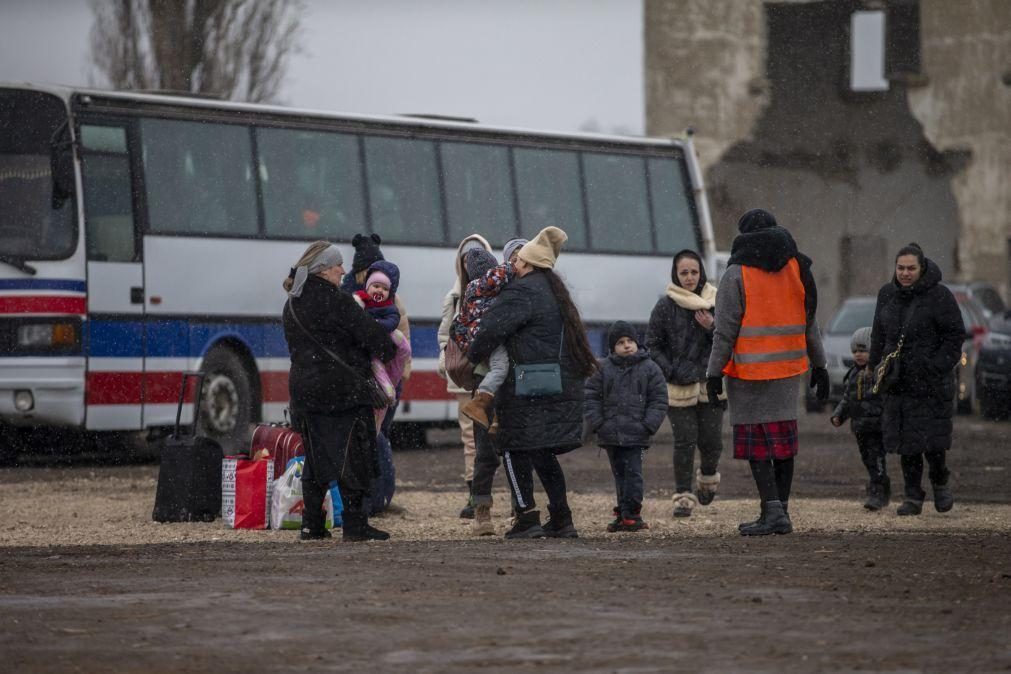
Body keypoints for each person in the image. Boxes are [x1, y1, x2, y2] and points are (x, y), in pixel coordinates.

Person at [468, 226, 597, 539]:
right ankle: (562, 518)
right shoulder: (556, 291)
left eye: (518, 263)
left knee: (512, 448)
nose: (514, 266)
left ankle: (526, 517)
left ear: (527, 265)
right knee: (543, 452)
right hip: (559, 384)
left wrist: (475, 353)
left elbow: (489, 329)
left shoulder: (522, 292)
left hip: (525, 387)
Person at [706, 209, 828, 536]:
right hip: (788, 371)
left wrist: (713, 372)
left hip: (749, 372)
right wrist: (820, 365)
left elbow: (724, 331)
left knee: (758, 445)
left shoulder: (736, 273)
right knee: (783, 444)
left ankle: (771, 511)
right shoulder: (797, 267)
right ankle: (780, 512)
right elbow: (810, 320)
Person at [281, 241, 397, 542]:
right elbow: (376, 340)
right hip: (343, 391)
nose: (343, 271)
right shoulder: (339, 301)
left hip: (304, 393)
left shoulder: (291, 304)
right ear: (322, 270)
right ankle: (355, 524)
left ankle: (312, 524)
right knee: (353, 456)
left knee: (316, 459)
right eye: (338, 266)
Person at [869, 243, 963, 516]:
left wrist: (936, 365)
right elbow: (878, 334)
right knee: (906, 443)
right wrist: (875, 367)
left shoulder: (939, 296)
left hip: (931, 383)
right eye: (901, 268)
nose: (905, 273)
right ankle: (913, 496)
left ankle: (940, 481)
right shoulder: (887, 295)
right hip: (898, 382)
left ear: (921, 268)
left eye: (911, 268)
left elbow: (955, 336)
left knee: (932, 442)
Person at [646, 249, 725, 519]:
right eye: (684, 273)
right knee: (685, 441)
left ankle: (708, 479)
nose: (690, 278)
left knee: (712, 442)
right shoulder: (665, 306)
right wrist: (670, 370)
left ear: (701, 272)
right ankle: (683, 497)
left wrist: (712, 327)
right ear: (675, 275)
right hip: (678, 386)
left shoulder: (716, 302)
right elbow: (652, 345)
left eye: (694, 272)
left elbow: (729, 341)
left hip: (711, 383)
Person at [465, 238, 527, 536]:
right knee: (486, 451)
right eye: (514, 256)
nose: (519, 261)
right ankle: (482, 511)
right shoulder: (494, 289)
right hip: (485, 376)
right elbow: (460, 330)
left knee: (519, 447)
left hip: (517, 376)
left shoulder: (526, 291)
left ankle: (522, 508)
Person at [584, 321, 668, 532]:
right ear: (613, 347)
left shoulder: (650, 368)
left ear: (637, 343)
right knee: (620, 473)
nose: (627, 345)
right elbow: (591, 397)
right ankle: (623, 512)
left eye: (630, 341)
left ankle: (632, 512)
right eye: (621, 342)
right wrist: (599, 424)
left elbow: (659, 399)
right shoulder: (603, 369)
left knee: (633, 474)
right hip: (611, 434)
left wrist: (648, 425)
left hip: (637, 435)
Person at [437, 234, 494, 519]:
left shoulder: (496, 292)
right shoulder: (455, 296)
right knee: (470, 437)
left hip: (491, 373)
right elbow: (444, 336)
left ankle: (492, 495)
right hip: (462, 377)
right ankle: (475, 495)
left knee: (496, 436)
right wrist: (446, 361)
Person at [453, 247, 515, 429]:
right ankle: (479, 403)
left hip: (478, 340)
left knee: (497, 370)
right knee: (500, 368)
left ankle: (494, 418)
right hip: (490, 337)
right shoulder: (485, 283)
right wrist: (514, 264)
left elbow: (461, 323)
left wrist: (467, 346)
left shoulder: (471, 289)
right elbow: (502, 273)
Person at [830, 327, 889, 510]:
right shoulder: (854, 374)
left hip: (876, 427)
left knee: (876, 458)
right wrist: (839, 414)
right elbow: (848, 398)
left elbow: (884, 398)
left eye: (863, 350)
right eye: (855, 351)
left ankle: (878, 490)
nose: (858, 355)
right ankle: (877, 485)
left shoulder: (879, 373)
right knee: (867, 458)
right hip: (860, 427)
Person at [352, 264, 412, 433]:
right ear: (367, 286)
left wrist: (377, 326)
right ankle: (388, 393)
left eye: (384, 288)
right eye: (376, 286)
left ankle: (388, 393)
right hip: (370, 355)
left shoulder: (390, 306)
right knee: (378, 372)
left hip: (385, 349)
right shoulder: (358, 301)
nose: (379, 291)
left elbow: (395, 322)